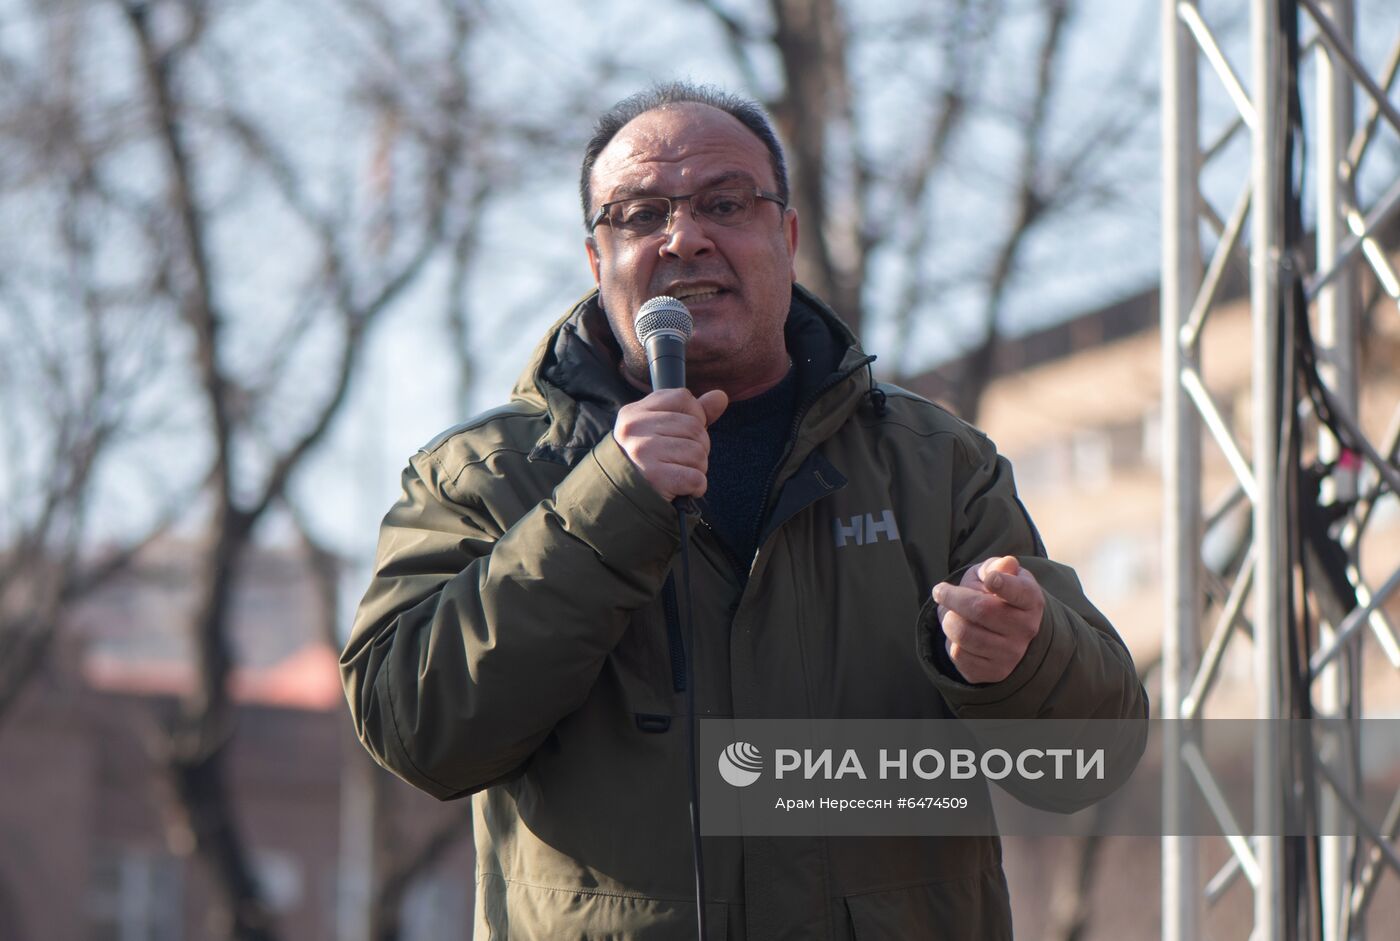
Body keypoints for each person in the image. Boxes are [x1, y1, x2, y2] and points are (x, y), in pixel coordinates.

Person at [341, 82, 1148, 940]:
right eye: (641, 214)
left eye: (725, 203)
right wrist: (609, 502)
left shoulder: (934, 464)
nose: (684, 236)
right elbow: (413, 727)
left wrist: (1023, 661)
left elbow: (1093, 757)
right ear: (596, 262)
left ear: (787, 236)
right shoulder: (485, 473)